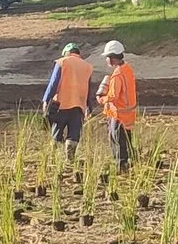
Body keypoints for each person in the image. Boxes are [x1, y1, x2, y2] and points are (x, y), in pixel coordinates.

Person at [40, 40, 92, 163]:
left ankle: (55, 159)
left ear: (66, 53)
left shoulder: (62, 62)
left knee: (57, 132)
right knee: (74, 134)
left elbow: (53, 83)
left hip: (61, 105)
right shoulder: (87, 66)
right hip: (79, 106)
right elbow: (89, 88)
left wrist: (46, 100)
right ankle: (70, 159)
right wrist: (90, 106)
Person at [96, 38, 139, 170]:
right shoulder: (127, 69)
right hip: (129, 113)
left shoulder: (117, 75)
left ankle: (121, 165)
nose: (106, 60)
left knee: (117, 140)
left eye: (107, 57)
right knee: (126, 139)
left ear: (112, 58)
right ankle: (131, 160)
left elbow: (113, 96)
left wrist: (101, 99)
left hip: (118, 114)